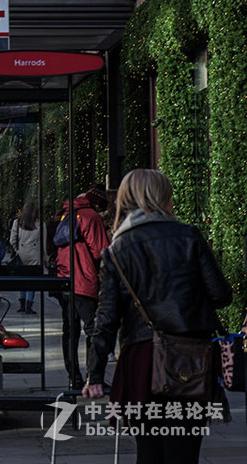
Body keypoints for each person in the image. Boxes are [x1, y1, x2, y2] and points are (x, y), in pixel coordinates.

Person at [82, 170, 230, 464]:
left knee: (148, 451)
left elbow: (106, 319)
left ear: (125, 198)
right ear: (164, 196)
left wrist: (95, 373)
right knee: (185, 453)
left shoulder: (116, 250)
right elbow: (221, 295)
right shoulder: (189, 236)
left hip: (142, 361)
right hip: (190, 359)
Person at [55, 186, 111, 389]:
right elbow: (101, 251)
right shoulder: (90, 216)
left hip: (64, 279)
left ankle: (73, 377)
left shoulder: (66, 214)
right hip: (84, 281)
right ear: (96, 204)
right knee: (93, 330)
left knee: (69, 331)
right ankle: (92, 376)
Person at [8, 201, 41, 313]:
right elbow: (44, 242)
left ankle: (22, 304)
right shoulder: (40, 224)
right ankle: (29, 304)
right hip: (35, 255)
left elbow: (12, 240)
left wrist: (18, 250)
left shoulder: (17, 223)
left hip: (22, 254)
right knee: (32, 281)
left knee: (22, 279)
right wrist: (45, 258)